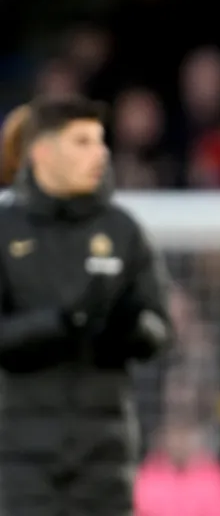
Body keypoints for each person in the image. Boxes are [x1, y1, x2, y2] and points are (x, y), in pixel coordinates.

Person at [0, 96, 172, 516]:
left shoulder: (124, 230)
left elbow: (161, 332)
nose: (101, 152)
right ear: (42, 152)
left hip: (106, 464)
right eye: (82, 141)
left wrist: (129, 325)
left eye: (100, 141)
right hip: (21, 463)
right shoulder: (5, 231)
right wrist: (62, 322)